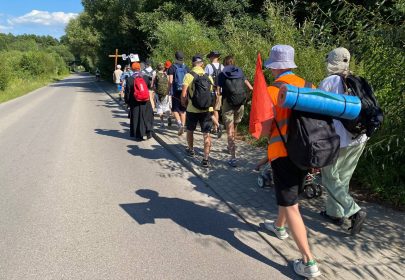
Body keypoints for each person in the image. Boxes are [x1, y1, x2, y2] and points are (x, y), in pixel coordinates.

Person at [262, 45, 321, 278]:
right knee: (290, 195)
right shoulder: (310, 87)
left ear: (275, 67)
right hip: (307, 152)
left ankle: (309, 262)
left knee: (292, 205)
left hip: (282, 153)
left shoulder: (271, 90)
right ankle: (279, 227)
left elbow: (266, 128)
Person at [319, 47, 367, 235]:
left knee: (330, 177)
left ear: (331, 61)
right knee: (342, 178)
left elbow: (320, 112)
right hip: (360, 137)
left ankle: (354, 210)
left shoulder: (329, 81)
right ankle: (335, 213)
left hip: (338, 139)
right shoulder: (358, 80)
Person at [217, 55, 253, 167]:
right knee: (235, 127)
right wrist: (247, 97)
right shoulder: (240, 72)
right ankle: (231, 146)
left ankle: (233, 157)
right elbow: (251, 88)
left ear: (225, 64)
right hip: (240, 104)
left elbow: (218, 92)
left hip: (228, 104)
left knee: (230, 131)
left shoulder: (222, 74)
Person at [181, 54, 214, 168]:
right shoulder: (208, 76)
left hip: (192, 109)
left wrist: (184, 103)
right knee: (206, 134)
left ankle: (191, 149)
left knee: (190, 130)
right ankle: (206, 159)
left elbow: (184, 94)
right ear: (202, 64)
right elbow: (211, 93)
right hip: (207, 109)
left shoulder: (188, 75)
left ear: (192, 63)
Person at [124, 62, 154, 141]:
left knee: (136, 118)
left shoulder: (130, 79)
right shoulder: (145, 77)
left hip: (135, 101)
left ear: (132, 69)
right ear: (139, 68)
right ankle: (148, 133)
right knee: (147, 116)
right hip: (146, 101)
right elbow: (148, 88)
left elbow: (128, 93)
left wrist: (127, 102)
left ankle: (139, 135)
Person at [167, 51, 189, 135]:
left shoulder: (172, 67)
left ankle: (180, 125)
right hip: (184, 91)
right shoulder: (186, 67)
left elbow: (170, 81)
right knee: (183, 109)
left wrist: (168, 90)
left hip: (176, 91)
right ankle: (183, 125)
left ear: (175, 58)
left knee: (175, 109)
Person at [205, 51, 224, 137]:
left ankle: (215, 127)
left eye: (210, 57)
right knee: (217, 109)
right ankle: (215, 127)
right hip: (220, 91)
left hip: (211, 91)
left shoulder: (208, 66)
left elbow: (205, 79)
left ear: (212, 57)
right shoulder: (222, 66)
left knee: (211, 109)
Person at [152, 63, 171, 127]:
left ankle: (162, 123)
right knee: (167, 107)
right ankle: (168, 118)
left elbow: (152, 85)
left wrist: (155, 91)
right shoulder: (166, 74)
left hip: (158, 94)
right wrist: (168, 92)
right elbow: (169, 84)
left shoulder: (155, 74)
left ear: (157, 68)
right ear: (163, 68)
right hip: (166, 93)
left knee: (159, 107)